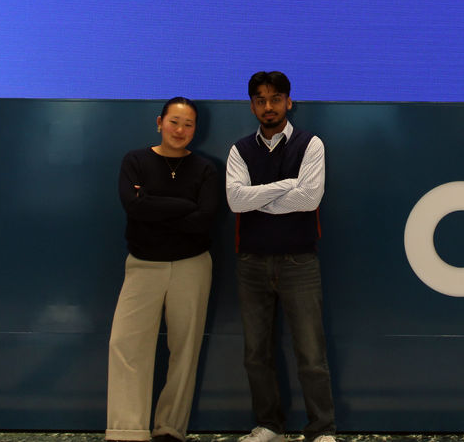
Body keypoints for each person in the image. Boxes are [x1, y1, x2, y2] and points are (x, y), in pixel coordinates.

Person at [226, 71, 336, 442]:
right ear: (252, 105)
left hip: (299, 262)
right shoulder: (240, 149)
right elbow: (234, 201)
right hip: (251, 262)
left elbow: (310, 199)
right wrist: (285, 186)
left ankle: (322, 429)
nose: (268, 106)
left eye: (275, 99)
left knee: (311, 353)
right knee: (256, 353)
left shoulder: (311, 144)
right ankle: (269, 425)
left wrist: (260, 196)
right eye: (260, 99)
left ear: (289, 102)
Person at [106, 97, 222, 442]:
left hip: (192, 267)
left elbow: (205, 220)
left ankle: (170, 429)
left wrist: (154, 207)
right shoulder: (135, 161)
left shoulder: (205, 169)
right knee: (126, 345)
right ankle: (126, 431)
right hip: (143, 267)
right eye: (174, 122)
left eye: (188, 124)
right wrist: (184, 206)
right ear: (159, 122)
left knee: (185, 349)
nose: (180, 130)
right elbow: (133, 206)